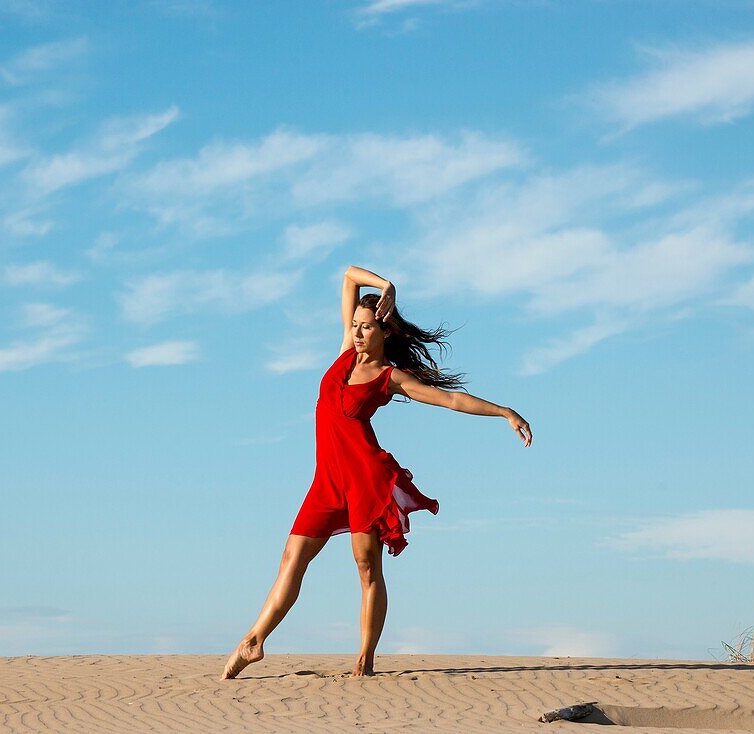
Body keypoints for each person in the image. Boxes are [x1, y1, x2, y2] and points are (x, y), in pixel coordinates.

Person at [221, 265, 532, 680]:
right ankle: (255, 641)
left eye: (366, 327)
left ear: (384, 331)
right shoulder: (342, 355)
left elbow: (450, 400)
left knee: (367, 568)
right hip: (326, 483)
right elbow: (348, 276)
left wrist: (504, 412)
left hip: (364, 482)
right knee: (291, 558)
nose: (357, 333)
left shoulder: (390, 378)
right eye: (354, 325)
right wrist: (387, 285)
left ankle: (364, 661)